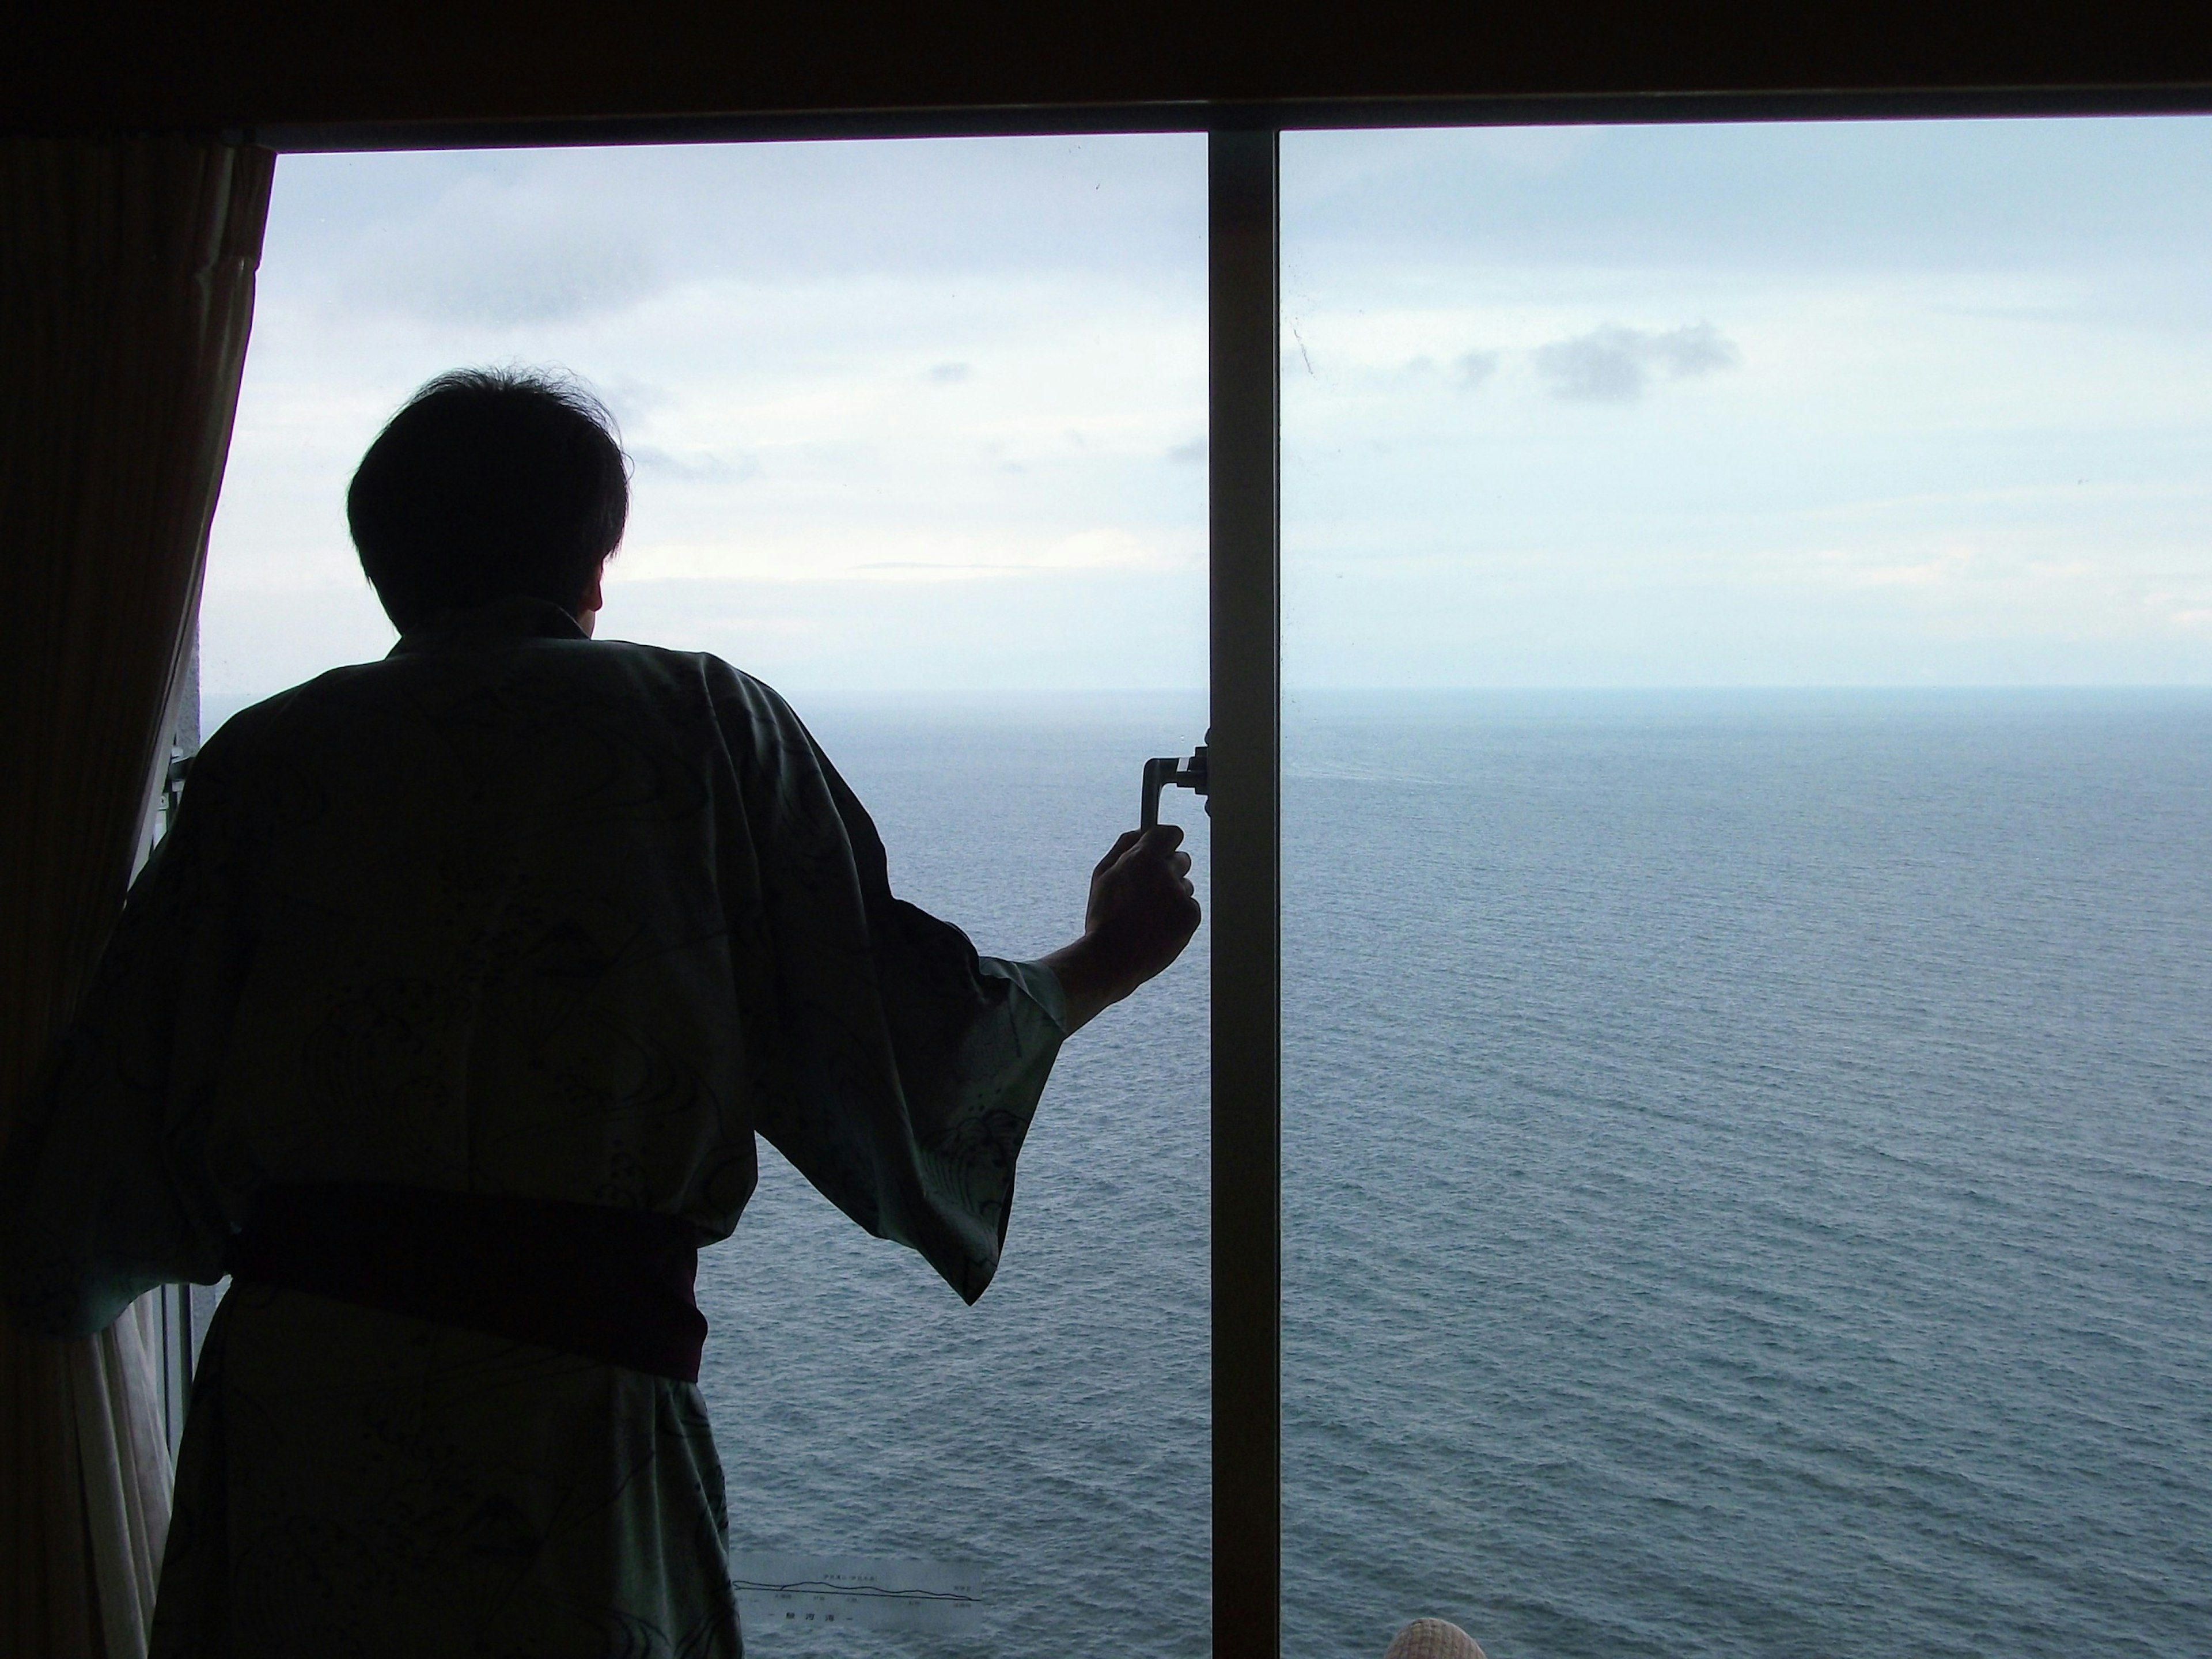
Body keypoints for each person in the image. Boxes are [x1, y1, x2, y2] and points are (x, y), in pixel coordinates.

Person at [0, 368, 1200, 1657]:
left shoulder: (262, 764)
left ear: (385, 566)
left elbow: (105, 1171)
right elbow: (915, 1055)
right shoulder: (700, 729)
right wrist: (1105, 959)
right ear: (595, 564)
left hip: (296, 1435)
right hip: (571, 1450)